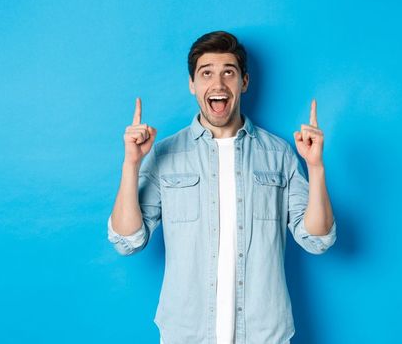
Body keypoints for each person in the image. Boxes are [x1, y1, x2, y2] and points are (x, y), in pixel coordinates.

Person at [107, 31, 336, 344]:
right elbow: (127, 240)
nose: (218, 84)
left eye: (228, 72)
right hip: (186, 335)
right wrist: (131, 165)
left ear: (244, 82)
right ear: (192, 84)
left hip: (263, 334)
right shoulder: (165, 155)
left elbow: (317, 240)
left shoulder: (279, 153)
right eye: (206, 74)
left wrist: (316, 167)